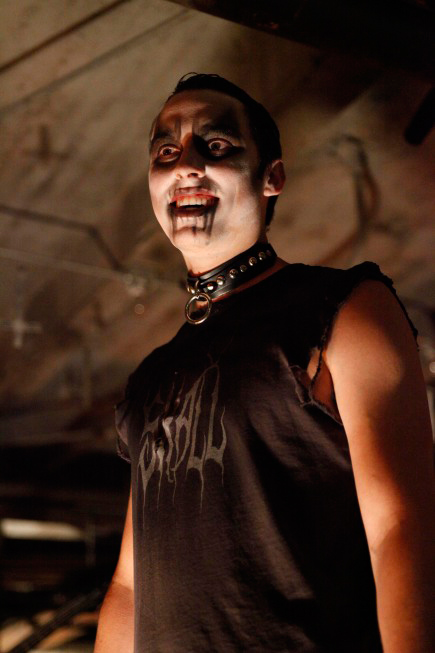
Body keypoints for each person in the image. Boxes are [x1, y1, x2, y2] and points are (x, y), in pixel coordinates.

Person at [94, 73, 435, 653]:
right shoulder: (152, 377)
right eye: (166, 152)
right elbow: (130, 584)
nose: (186, 166)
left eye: (216, 145)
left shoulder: (346, 308)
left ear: (271, 176)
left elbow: (400, 527)